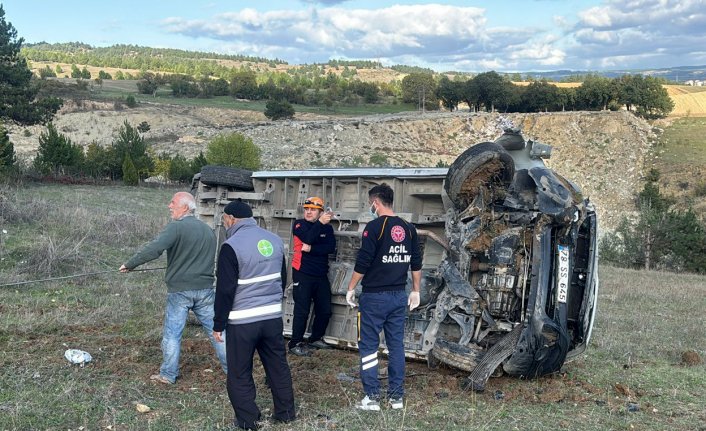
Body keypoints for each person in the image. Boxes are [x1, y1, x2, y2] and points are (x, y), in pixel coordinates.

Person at [119, 191, 227, 385]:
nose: (169, 206)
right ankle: (233, 371)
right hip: (206, 290)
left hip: (180, 291)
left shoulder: (176, 228)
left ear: (185, 207)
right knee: (217, 332)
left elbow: (154, 249)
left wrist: (130, 264)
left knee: (172, 334)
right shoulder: (208, 230)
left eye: (173, 203)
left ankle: (168, 374)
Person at [213, 200, 296, 430]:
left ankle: (248, 420)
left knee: (239, 372)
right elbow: (282, 278)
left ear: (231, 218)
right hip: (271, 318)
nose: (224, 223)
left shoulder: (231, 246)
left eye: (224, 220)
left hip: (242, 321)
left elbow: (225, 290)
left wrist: (218, 323)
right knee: (278, 366)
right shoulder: (274, 240)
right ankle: (286, 414)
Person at [345, 183, 422, 411]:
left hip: (374, 298)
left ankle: (372, 398)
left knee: (368, 346)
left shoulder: (374, 227)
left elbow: (363, 261)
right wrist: (416, 290)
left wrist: (350, 287)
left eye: (371, 203)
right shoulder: (408, 228)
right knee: (396, 346)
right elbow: (415, 262)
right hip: (399, 296)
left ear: (375, 203)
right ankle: (396, 398)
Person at [288, 196, 337, 357]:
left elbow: (330, 248)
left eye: (313, 210)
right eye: (306, 209)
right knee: (302, 311)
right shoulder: (299, 224)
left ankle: (316, 338)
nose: (308, 212)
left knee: (325, 310)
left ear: (320, 212)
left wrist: (311, 249)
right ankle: (295, 343)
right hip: (302, 273)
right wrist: (320, 224)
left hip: (320, 274)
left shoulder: (328, 229)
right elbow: (307, 238)